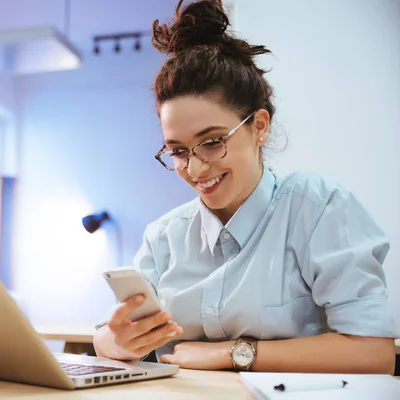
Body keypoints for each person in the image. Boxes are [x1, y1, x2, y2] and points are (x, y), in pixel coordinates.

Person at [92, 0, 398, 374]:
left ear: (260, 127)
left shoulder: (318, 209)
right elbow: (105, 339)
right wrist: (117, 339)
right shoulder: (164, 238)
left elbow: (373, 354)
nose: (196, 167)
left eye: (212, 141)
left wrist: (233, 353)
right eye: (178, 151)